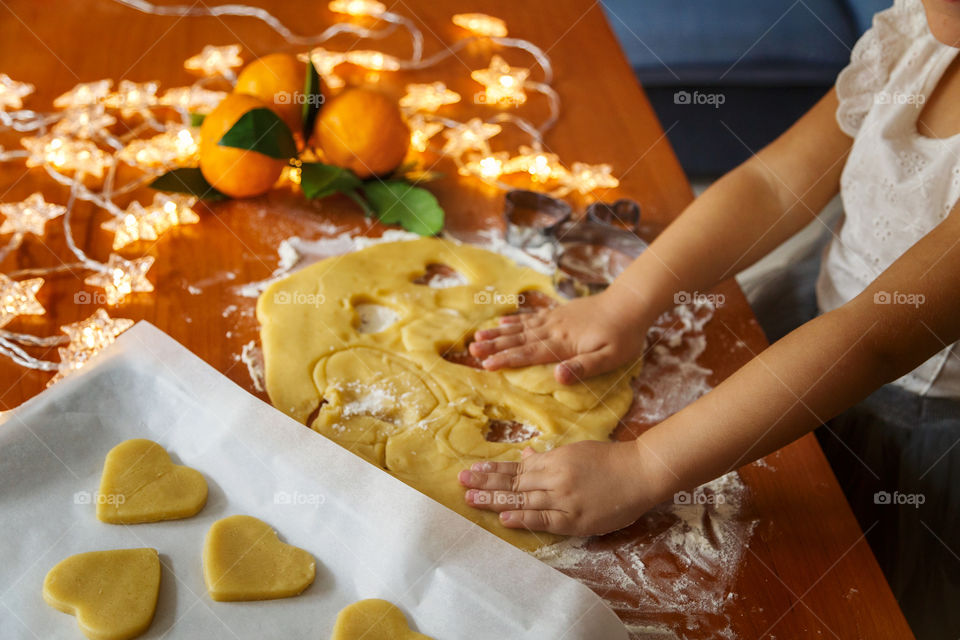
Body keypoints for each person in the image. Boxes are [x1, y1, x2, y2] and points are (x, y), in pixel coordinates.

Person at [458, 0, 960, 635]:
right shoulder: (922, 28)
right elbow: (775, 184)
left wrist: (645, 468)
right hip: (817, 321)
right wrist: (628, 301)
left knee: (838, 599)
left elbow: (876, 343)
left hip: (919, 426)